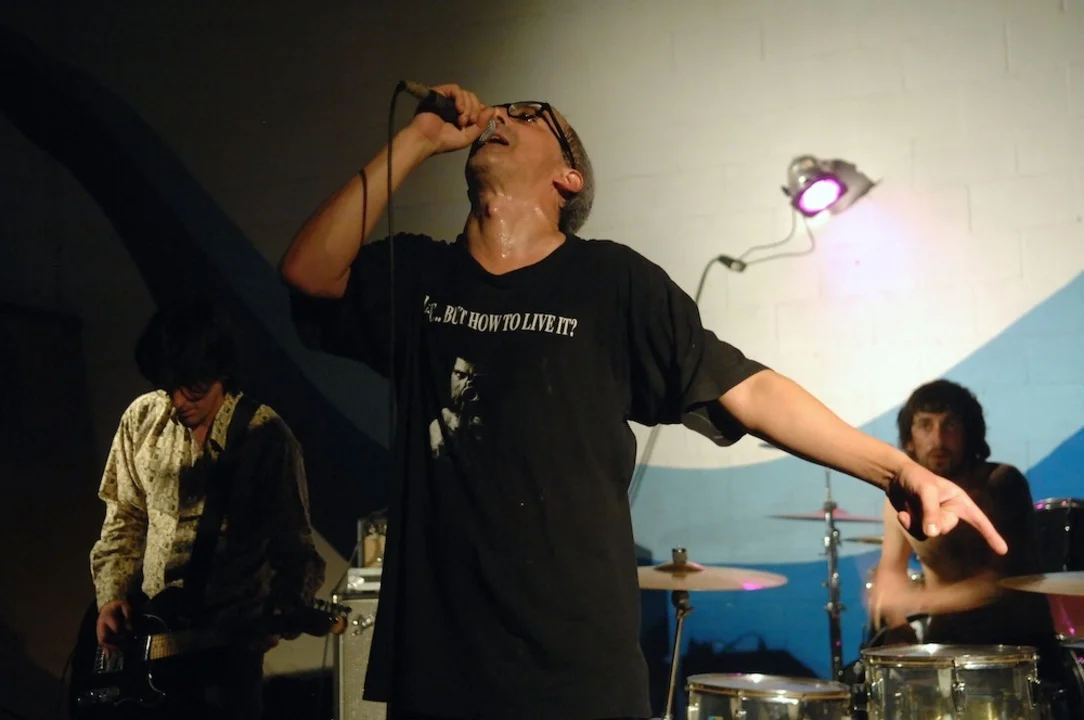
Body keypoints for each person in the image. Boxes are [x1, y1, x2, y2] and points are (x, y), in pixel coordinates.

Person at [281, 83, 1006, 720]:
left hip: (572, 677)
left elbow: (748, 387)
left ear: (567, 177)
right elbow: (309, 271)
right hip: (437, 674)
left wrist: (895, 468)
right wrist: (417, 138)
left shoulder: (611, 281)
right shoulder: (419, 274)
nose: (502, 114)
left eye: (531, 115)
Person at [88, 300, 326, 719]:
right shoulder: (142, 418)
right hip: (149, 639)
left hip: (228, 657)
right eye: (170, 386)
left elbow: (295, 547)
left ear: (221, 370)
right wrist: (111, 598)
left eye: (192, 386)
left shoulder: (266, 436)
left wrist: (286, 607)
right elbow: (124, 518)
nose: (179, 400)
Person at [868, 379, 1075, 705]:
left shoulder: (1002, 482)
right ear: (909, 438)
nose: (938, 439)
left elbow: (998, 583)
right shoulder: (900, 497)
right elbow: (891, 569)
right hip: (945, 649)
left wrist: (916, 601)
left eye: (950, 425)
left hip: (1018, 653)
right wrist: (896, 624)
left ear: (970, 433)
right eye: (925, 425)